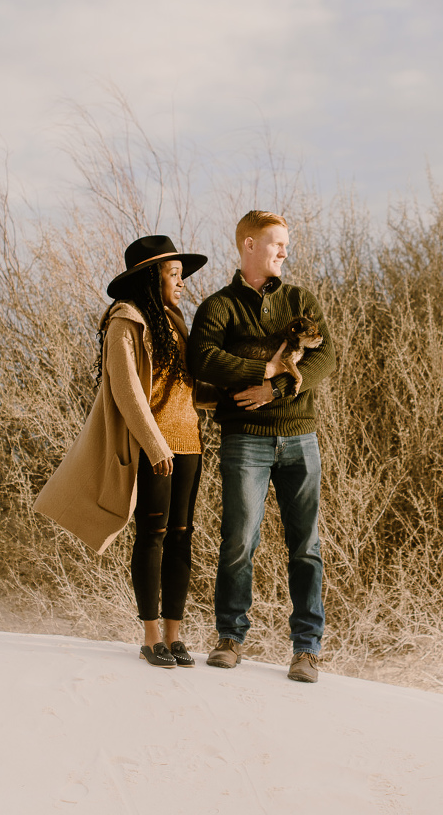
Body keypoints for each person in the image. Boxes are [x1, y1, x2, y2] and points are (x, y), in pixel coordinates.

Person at [32, 234, 208, 669]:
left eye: (182, 276)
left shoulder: (174, 321)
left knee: (182, 538)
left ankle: (175, 635)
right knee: (153, 536)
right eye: (173, 274)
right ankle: (151, 638)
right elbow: (127, 388)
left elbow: (184, 387)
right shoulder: (125, 321)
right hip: (158, 447)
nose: (181, 283)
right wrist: (154, 445)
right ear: (152, 278)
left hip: (191, 443)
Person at [187, 211, 337, 683]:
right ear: (249, 245)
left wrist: (279, 389)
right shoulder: (218, 307)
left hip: (299, 436)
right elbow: (204, 358)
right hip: (244, 442)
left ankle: (306, 650)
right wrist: (266, 370)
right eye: (277, 244)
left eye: (286, 245)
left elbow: (326, 356)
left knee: (306, 547)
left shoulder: (299, 300)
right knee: (238, 543)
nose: (284, 252)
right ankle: (230, 638)